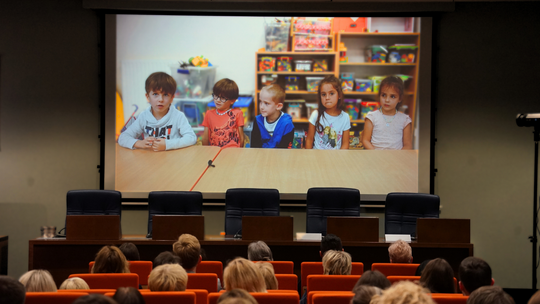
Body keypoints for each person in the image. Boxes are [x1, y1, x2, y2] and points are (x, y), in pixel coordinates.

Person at [118, 71, 196, 151]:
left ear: (172, 98)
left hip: (173, 158)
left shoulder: (178, 116)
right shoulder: (143, 116)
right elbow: (123, 137)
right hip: (150, 159)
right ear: (148, 97)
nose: (160, 100)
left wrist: (167, 145)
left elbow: (191, 138)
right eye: (155, 94)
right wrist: (139, 143)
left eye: (165, 95)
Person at [362, 75, 412, 150]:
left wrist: (398, 157)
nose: (387, 100)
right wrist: (376, 154)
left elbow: (407, 145)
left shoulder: (405, 120)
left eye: (392, 96)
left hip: (396, 159)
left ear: (400, 98)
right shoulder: (371, 117)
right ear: (379, 96)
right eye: (384, 95)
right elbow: (365, 140)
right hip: (375, 158)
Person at [306, 75, 350, 149]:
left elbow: (345, 143)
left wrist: (341, 159)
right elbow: (309, 140)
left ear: (339, 95)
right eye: (323, 94)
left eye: (331, 93)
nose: (327, 98)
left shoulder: (345, 117)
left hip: (335, 158)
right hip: (316, 158)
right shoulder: (315, 114)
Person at [202, 78, 244, 148]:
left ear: (232, 100)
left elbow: (241, 138)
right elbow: (205, 138)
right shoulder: (209, 114)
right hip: (215, 152)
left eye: (223, 98)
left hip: (233, 152)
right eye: (216, 96)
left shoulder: (237, 113)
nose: (218, 100)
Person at [251, 84, 294, 148]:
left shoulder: (287, 124)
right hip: (261, 155)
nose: (261, 107)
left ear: (278, 106)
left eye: (266, 103)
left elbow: (285, 149)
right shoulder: (258, 121)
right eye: (260, 102)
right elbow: (255, 147)